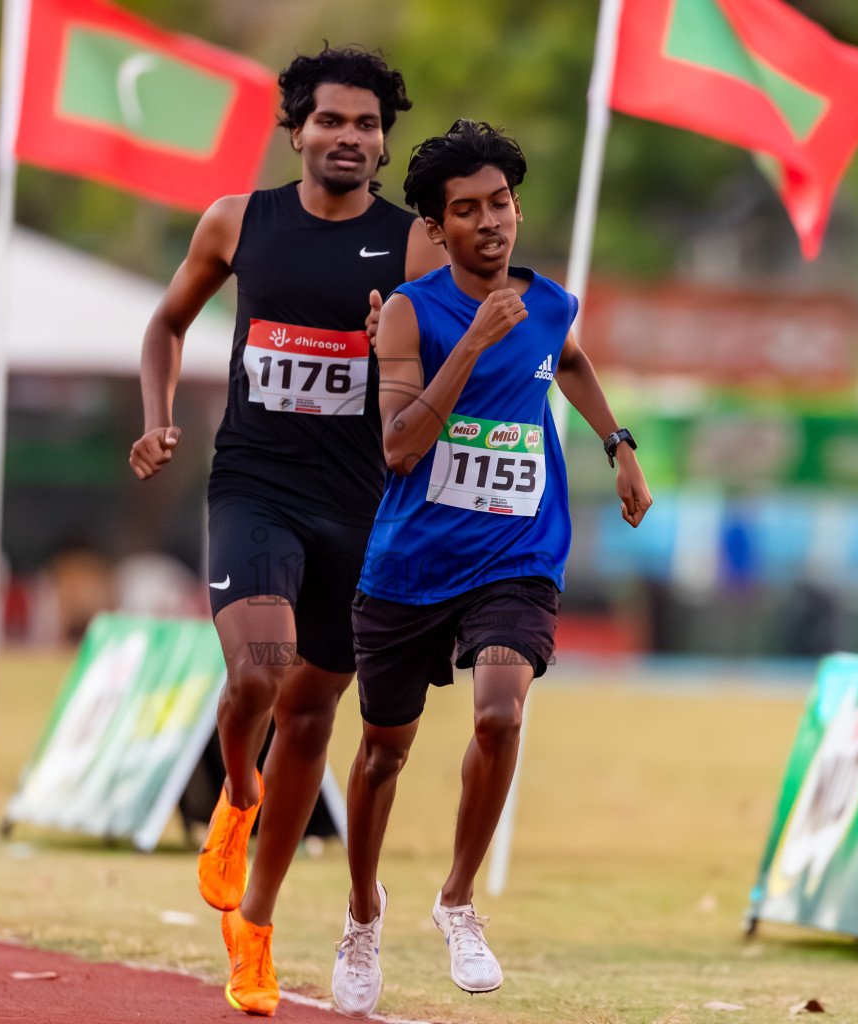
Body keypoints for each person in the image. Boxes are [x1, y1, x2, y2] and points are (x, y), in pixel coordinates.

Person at [128, 47, 446, 1017]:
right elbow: (166, 324)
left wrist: (400, 341)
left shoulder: (416, 246)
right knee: (258, 675)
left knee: (309, 718)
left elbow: (452, 370)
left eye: (367, 125)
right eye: (331, 120)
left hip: (362, 505)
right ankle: (236, 796)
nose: (350, 137)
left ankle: (256, 928)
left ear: (383, 143)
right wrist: (157, 418)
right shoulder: (237, 222)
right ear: (296, 129)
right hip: (255, 487)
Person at [328, 120, 651, 1018]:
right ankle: (363, 912)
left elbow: (567, 359)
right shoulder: (409, 312)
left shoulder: (549, 304)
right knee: (383, 754)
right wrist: (471, 343)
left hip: (518, 552)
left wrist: (617, 443)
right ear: (436, 227)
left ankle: (458, 899)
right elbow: (399, 448)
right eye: (466, 210)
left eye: (501, 203)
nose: (491, 221)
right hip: (410, 562)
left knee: (501, 715)